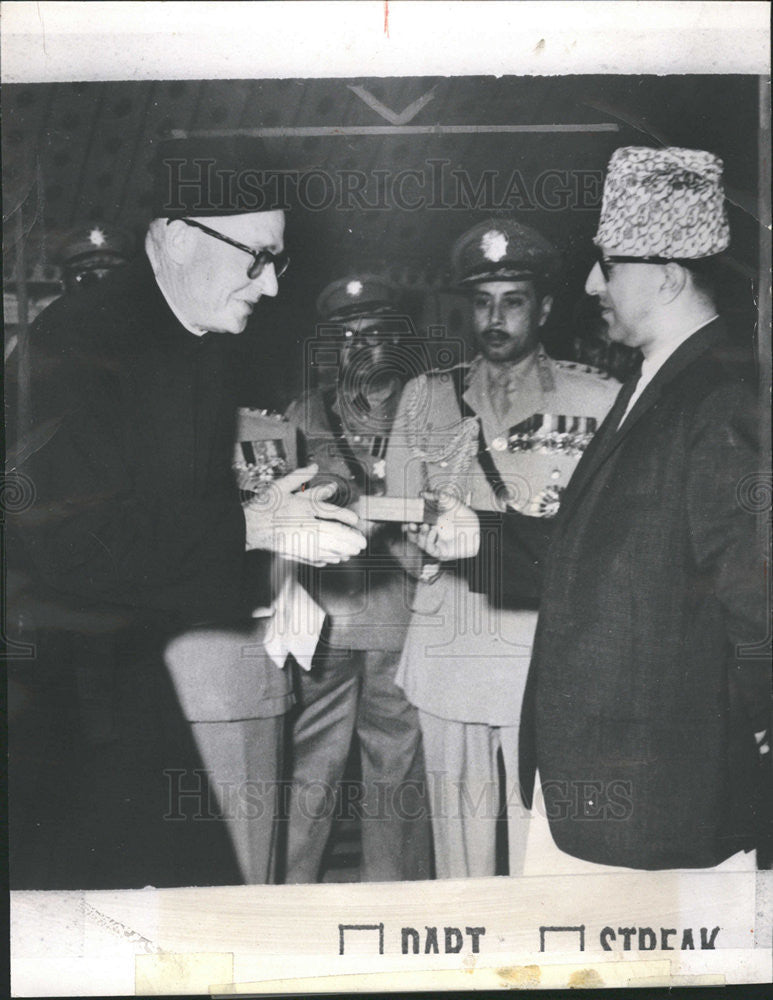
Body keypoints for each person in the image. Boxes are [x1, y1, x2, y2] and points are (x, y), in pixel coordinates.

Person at [9, 137, 366, 889]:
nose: (269, 288)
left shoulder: (194, 342)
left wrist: (261, 516)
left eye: (279, 263)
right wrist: (251, 526)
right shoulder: (76, 347)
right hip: (68, 703)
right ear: (174, 240)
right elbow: (71, 544)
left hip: (138, 682)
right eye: (255, 258)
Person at [411, 147, 769, 873]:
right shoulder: (657, 381)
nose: (586, 284)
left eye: (605, 266)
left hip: (662, 793)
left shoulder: (719, 397)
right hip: (609, 780)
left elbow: (756, 595)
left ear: (665, 277)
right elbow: (601, 554)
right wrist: (475, 534)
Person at [384, 219, 619, 878]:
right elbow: (400, 517)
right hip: (447, 652)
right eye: (482, 301)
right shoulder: (424, 398)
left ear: (542, 308)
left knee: (536, 850)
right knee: (457, 857)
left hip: (538, 656)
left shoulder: (596, 399)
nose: (494, 317)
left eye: (511, 300)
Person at [282, 274, 431, 882]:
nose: (360, 349)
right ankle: (287, 897)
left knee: (394, 770)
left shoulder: (429, 410)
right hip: (327, 618)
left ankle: (391, 908)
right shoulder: (303, 412)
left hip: (402, 613)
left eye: (375, 335)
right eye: (346, 337)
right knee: (310, 768)